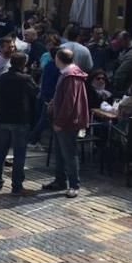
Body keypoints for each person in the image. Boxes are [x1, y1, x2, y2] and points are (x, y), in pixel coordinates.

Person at [42, 48, 89, 198]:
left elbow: (70, 101)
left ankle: (74, 185)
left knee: (69, 153)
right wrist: (54, 102)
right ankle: (60, 180)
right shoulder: (69, 74)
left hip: (67, 122)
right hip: (63, 119)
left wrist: (60, 121)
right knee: (60, 152)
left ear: (58, 59)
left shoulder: (70, 76)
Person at [0, 52, 37, 195]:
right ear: (24, 64)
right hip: (20, 120)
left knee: (0, 153)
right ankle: (17, 186)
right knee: (19, 154)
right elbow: (35, 94)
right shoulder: (26, 79)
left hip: (2, 118)